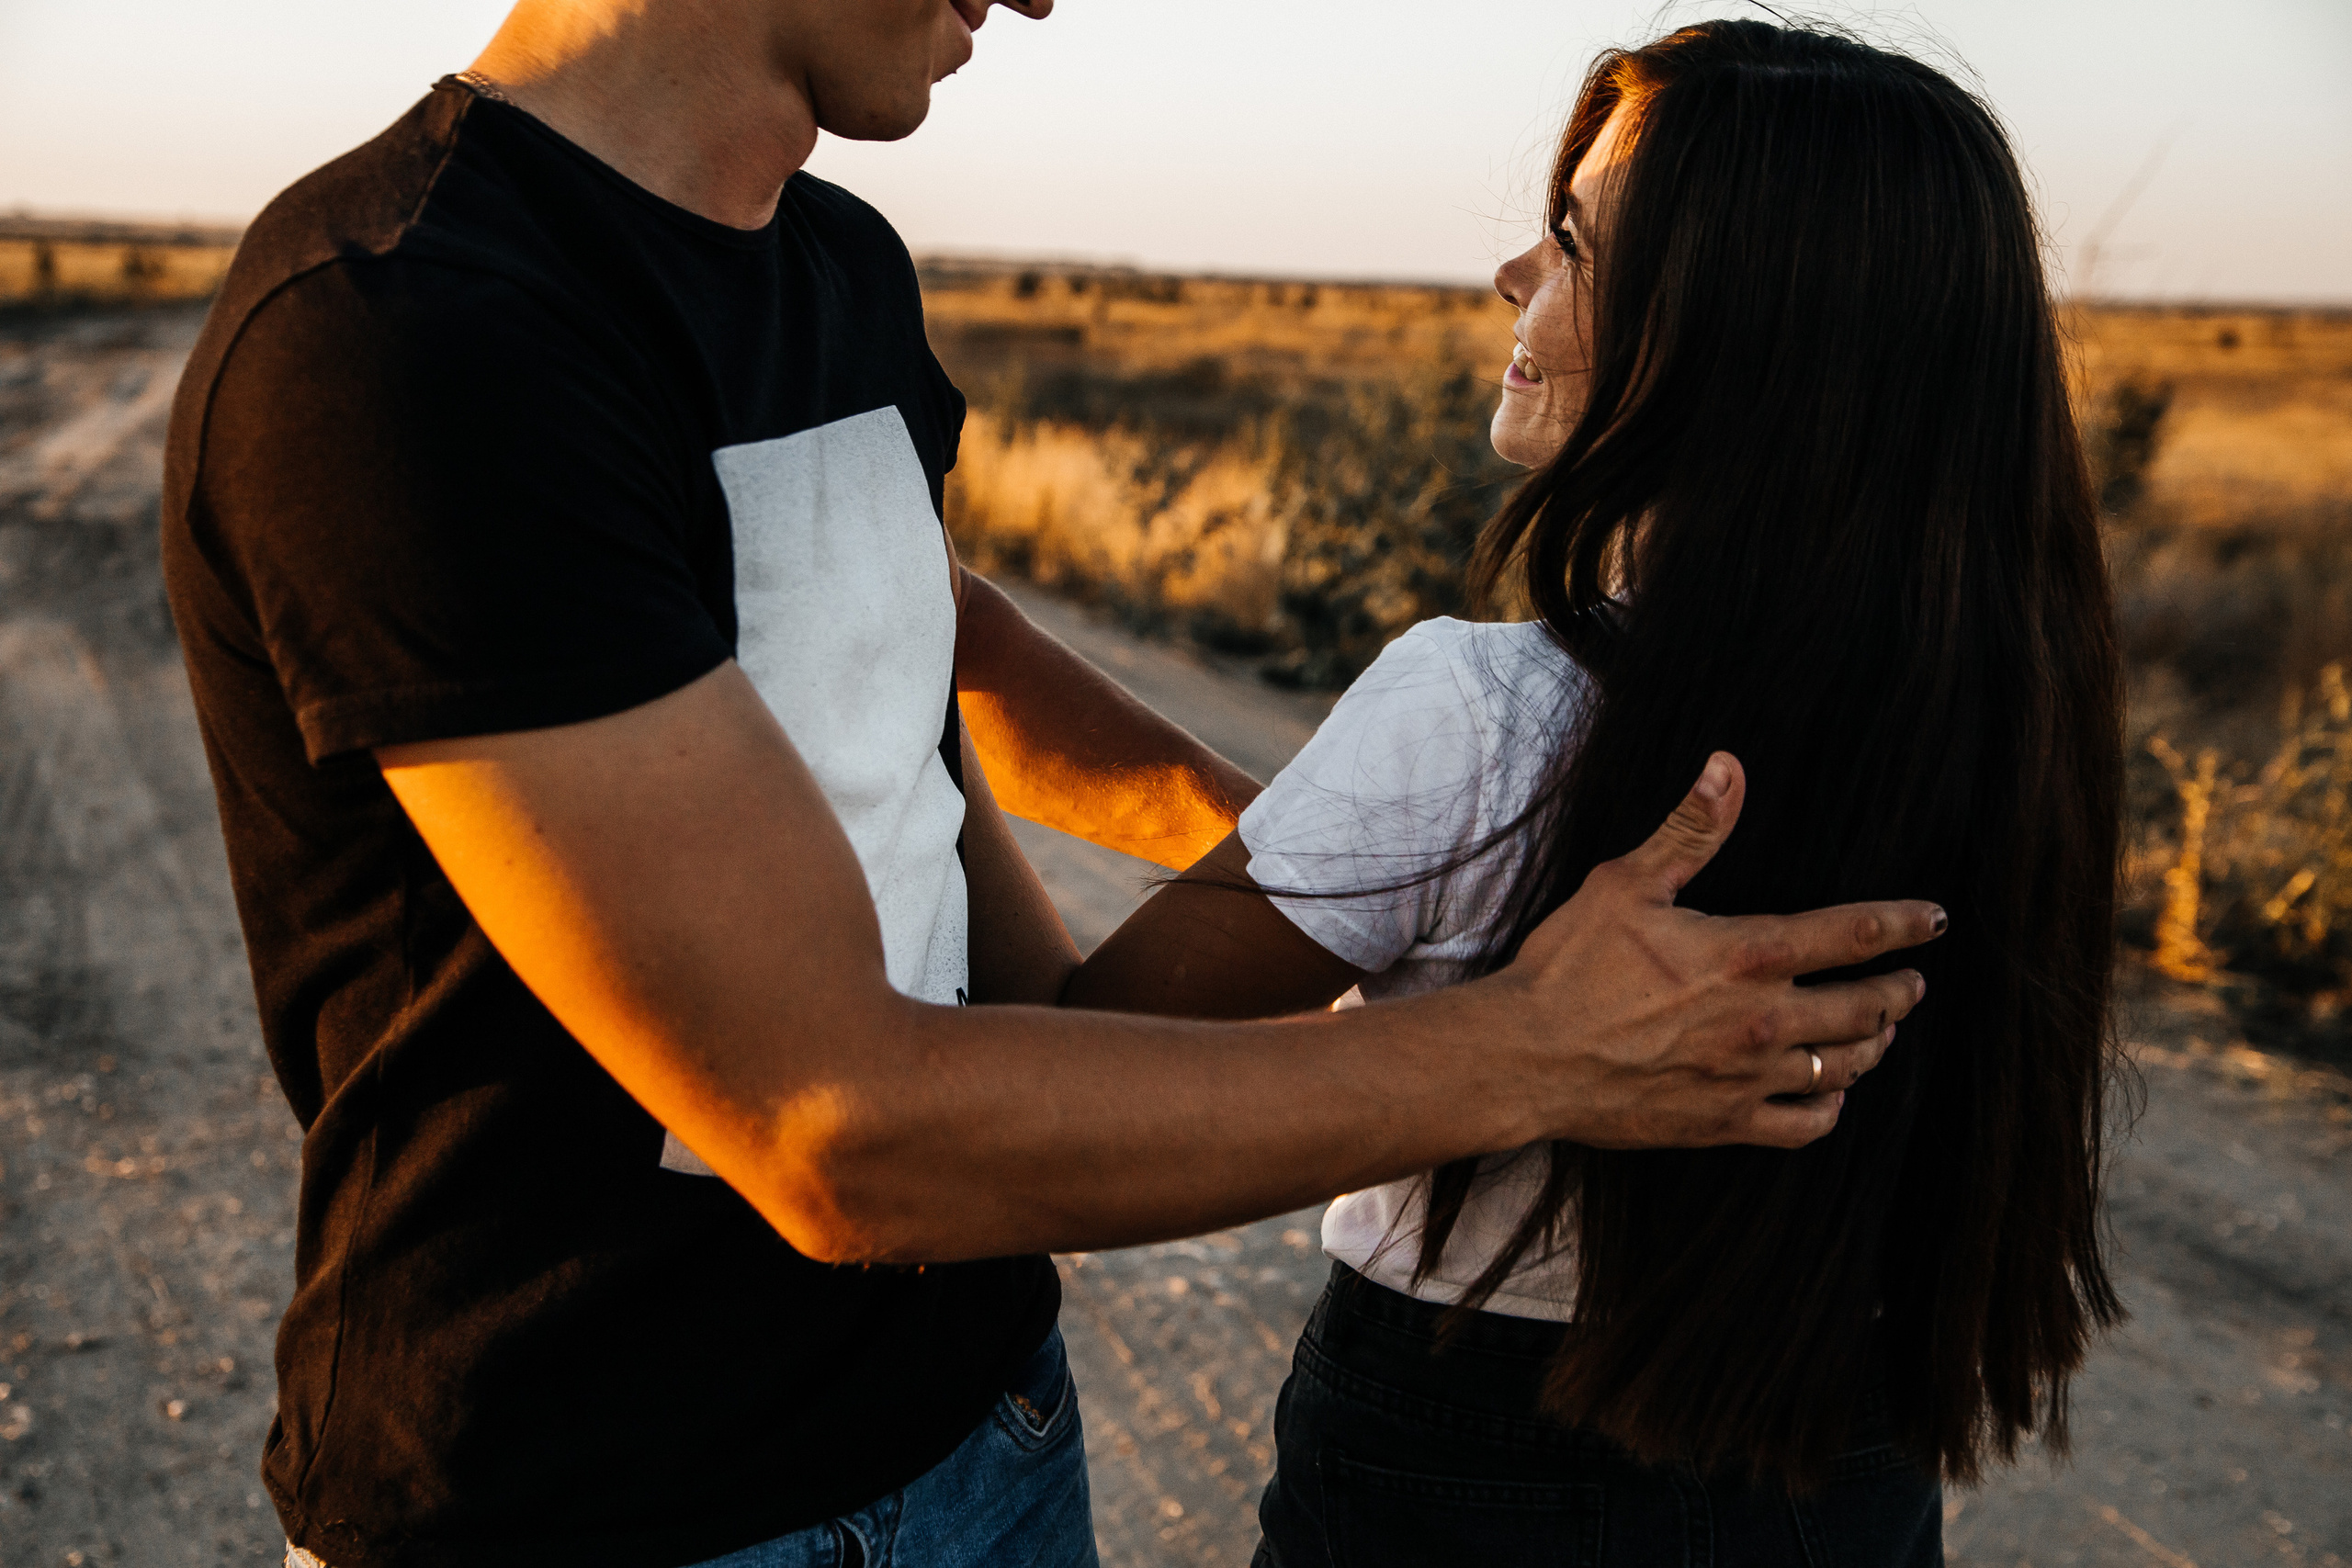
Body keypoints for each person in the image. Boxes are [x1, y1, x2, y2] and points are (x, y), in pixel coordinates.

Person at [160, 4, 1941, 1564]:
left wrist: (1396, 848)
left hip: (986, 1448)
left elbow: (924, 638)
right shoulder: (410, 326)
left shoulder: (839, 271)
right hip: (596, 1510)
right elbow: (839, 1137)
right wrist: (1525, 1043)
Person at [1069, 19, 2125, 1567]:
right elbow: (1405, 868)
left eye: (1572, 243)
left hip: (1470, 1463)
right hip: (1845, 1454)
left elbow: (1064, 1083)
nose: (1513, 274)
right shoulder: (2010, 710)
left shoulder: (1480, 711)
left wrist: (950, 674)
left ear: (1743, 331)